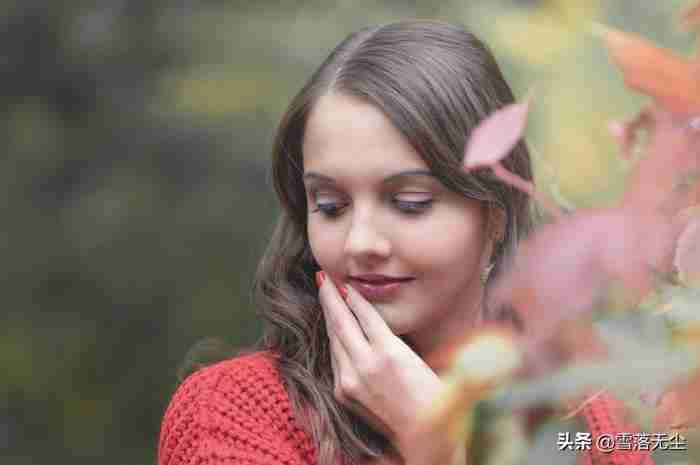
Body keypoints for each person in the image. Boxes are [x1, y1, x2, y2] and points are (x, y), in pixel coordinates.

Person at [157, 20, 649, 465]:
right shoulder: (233, 414)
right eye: (330, 205)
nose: (360, 241)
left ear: (494, 216)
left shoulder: (595, 420)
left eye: (409, 202)